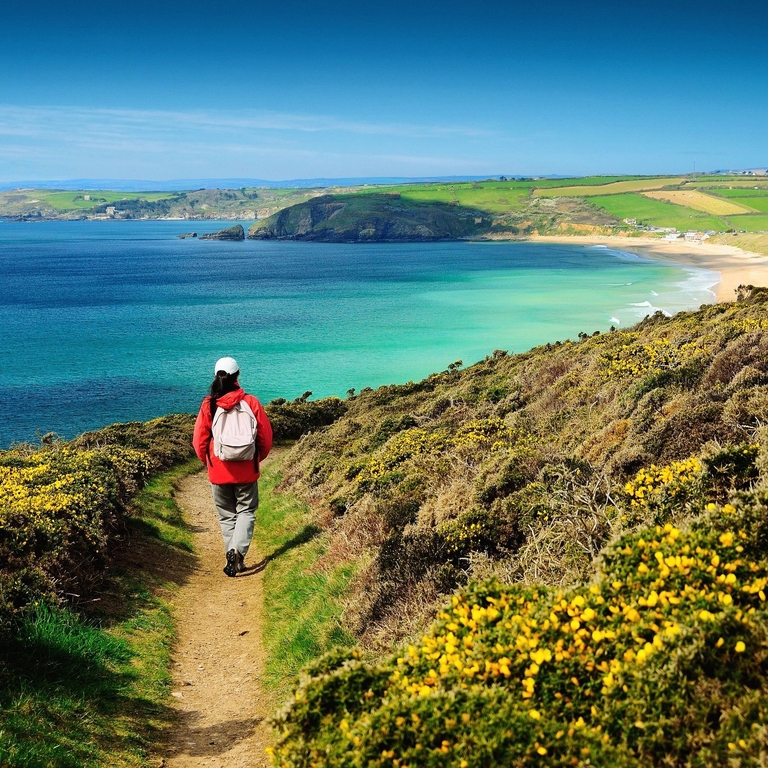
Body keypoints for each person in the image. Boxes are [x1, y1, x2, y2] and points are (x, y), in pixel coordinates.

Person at [193, 356, 273, 577]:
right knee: (246, 511)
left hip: (218, 471)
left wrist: (208, 462)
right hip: (247, 469)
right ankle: (237, 553)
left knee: (227, 516)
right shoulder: (252, 402)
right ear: (237, 375)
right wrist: (256, 458)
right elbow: (265, 438)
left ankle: (232, 553)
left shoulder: (208, 404)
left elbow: (199, 440)